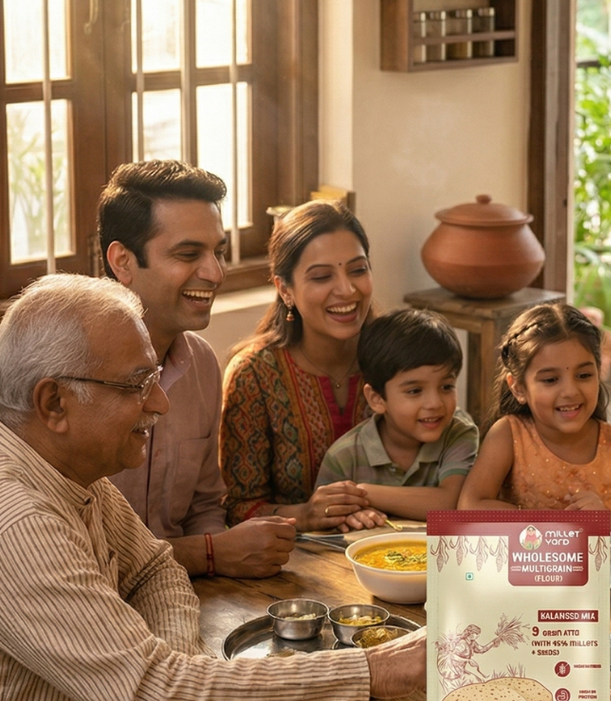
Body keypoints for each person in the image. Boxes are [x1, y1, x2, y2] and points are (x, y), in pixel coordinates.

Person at [0, 274, 424, 701]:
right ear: (54, 403)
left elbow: (155, 569)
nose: (160, 402)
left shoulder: (65, 472)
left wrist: (168, 677)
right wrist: (374, 671)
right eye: (136, 384)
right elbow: (155, 694)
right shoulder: (16, 524)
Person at [98, 160, 296, 578]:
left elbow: (205, 507)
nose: (215, 273)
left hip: (188, 591)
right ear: (123, 262)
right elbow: (54, 549)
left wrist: (223, 556)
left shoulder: (202, 364)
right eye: (188, 254)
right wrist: (209, 553)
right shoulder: (54, 368)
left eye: (218, 252)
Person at [221, 201, 385, 532]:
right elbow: (237, 509)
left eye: (358, 270)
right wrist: (306, 514)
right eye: (322, 276)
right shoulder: (254, 375)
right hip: (296, 556)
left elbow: (450, 471)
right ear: (285, 289)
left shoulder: (396, 354)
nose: (347, 290)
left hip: (403, 545)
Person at [457, 303, 611, 546]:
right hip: (519, 570)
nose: (570, 391)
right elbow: (469, 508)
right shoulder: (508, 435)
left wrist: (607, 525)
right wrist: (554, 523)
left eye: (584, 375)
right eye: (550, 379)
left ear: (599, 372)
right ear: (518, 388)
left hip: (601, 572)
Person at [315, 308, 478, 517]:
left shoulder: (459, 434)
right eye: (415, 391)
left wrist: (362, 493)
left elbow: (453, 504)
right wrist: (349, 516)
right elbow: (324, 518)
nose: (435, 403)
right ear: (376, 399)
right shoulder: (343, 458)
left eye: (446, 387)